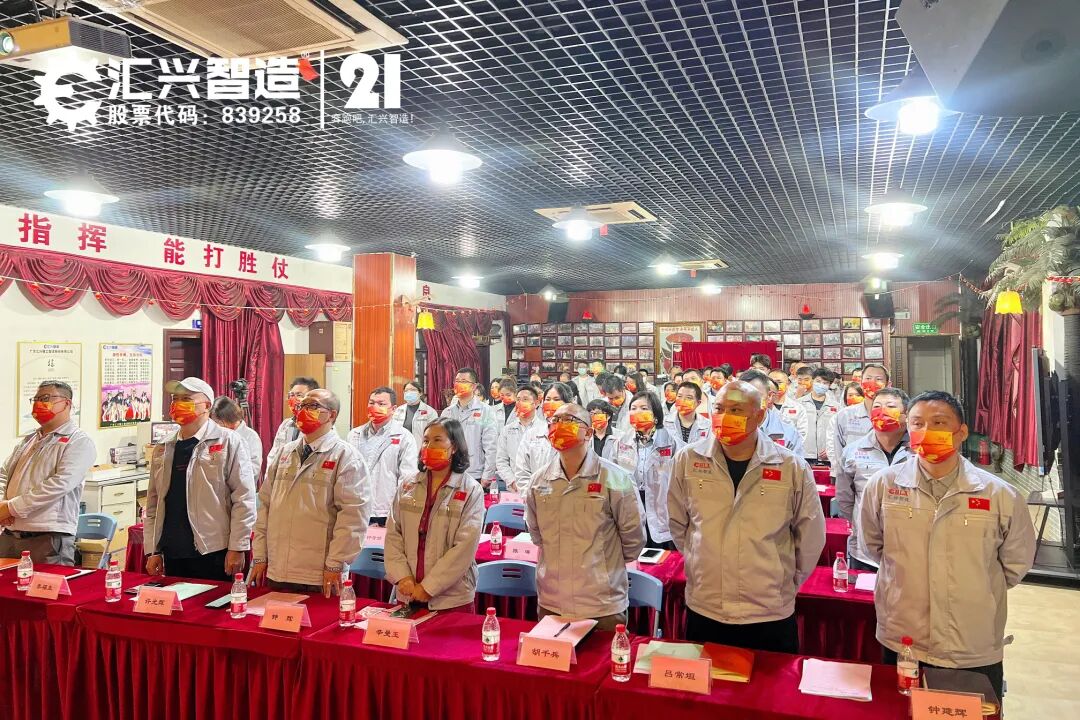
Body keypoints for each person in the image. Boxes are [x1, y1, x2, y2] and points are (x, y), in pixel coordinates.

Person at [858, 391, 1035, 700]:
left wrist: (973, 587)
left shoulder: (999, 495)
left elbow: (1015, 564)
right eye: (918, 423)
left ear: (961, 432)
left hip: (970, 640)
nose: (927, 431)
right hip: (905, 635)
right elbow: (874, 545)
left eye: (939, 423)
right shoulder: (884, 486)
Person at [668, 380, 825, 652]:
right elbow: (678, 524)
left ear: (760, 416)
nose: (725, 417)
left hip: (768, 610)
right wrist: (703, 561)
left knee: (770, 679)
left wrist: (782, 581)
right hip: (707, 605)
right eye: (719, 409)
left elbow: (810, 537)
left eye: (736, 410)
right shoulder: (688, 460)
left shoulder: (791, 467)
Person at [525, 403, 644, 629]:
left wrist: (602, 568)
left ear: (588, 433)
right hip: (552, 601)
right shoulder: (539, 481)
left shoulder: (615, 478)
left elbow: (633, 539)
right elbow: (537, 534)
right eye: (554, 421)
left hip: (601, 603)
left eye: (568, 420)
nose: (558, 425)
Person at [252, 389, 370, 595]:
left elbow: (353, 518)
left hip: (319, 572)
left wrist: (335, 564)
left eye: (313, 406)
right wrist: (260, 555)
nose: (303, 411)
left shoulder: (346, 456)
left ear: (332, 415)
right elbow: (265, 506)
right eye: (301, 406)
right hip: (278, 568)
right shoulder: (284, 452)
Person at [145, 377, 256, 581]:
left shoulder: (229, 441)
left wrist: (238, 546)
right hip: (173, 550)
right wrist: (153, 550)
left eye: (186, 399)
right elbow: (153, 504)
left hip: (214, 550)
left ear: (207, 405)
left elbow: (244, 498)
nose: (178, 404)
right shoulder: (163, 447)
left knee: (213, 601)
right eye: (175, 399)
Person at [384, 418, 485, 612]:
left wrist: (429, 587)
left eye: (437, 440)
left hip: (452, 598)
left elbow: (464, 548)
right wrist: (403, 577)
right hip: (408, 591)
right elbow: (393, 534)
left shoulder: (471, 490)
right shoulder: (408, 485)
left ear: (454, 447)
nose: (429, 446)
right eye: (425, 440)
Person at [0, 381, 96, 564]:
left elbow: (60, 484)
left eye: (45, 398)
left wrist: (11, 507)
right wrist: (2, 505)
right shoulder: (29, 439)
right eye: (35, 399)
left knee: (46, 583)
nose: (38, 404)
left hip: (48, 537)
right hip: (10, 533)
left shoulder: (79, 441)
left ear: (66, 403)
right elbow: (4, 473)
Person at [836, 388, 912, 571]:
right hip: (864, 552)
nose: (882, 411)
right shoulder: (853, 451)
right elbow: (845, 499)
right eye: (877, 407)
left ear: (906, 415)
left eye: (890, 406)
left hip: (910, 550)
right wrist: (862, 523)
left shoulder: (919, 452)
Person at [347, 386, 418, 527]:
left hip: (386, 510)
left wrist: (399, 509)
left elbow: (407, 477)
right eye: (372, 403)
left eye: (381, 404)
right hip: (357, 507)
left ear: (393, 409)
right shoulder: (354, 434)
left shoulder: (404, 437)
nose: (375, 407)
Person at [615, 391, 675, 549]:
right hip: (632, 503)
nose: (637, 412)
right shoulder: (621, 442)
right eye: (633, 408)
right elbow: (613, 477)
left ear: (655, 415)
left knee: (661, 554)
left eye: (643, 408)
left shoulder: (671, 441)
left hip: (661, 504)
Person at [439, 368, 499, 488]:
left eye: (464, 381)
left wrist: (487, 475)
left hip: (475, 473)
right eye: (457, 381)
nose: (459, 384)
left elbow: (491, 446)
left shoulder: (486, 411)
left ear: (474, 386)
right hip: (450, 472)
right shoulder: (447, 412)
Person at [829, 363, 889, 479]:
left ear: (888, 384)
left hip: (884, 479)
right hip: (854, 480)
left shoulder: (893, 416)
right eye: (868, 378)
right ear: (861, 383)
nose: (873, 383)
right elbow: (838, 453)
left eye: (878, 379)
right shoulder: (845, 415)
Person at [513, 382, 575, 492]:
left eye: (556, 399)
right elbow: (522, 471)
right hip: (535, 496)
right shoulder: (532, 435)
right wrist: (530, 495)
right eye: (547, 399)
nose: (551, 403)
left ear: (568, 404)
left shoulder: (578, 435)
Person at [738, 370, 804, 456]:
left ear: (769, 396)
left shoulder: (788, 432)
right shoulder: (726, 427)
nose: (750, 401)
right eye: (744, 396)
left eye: (756, 395)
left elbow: (797, 463)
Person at [495, 384, 545, 491]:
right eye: (518, 400)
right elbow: (501, 460)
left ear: (536, 403)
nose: (520, 402)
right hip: (514, 488)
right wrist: (512, 481)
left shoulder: (544, 429)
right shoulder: (507, 430)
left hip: (539, 487)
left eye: (525, 399)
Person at [268, 377, 319, 467]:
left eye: (299, 395)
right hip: (282, 472)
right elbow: (274, 454)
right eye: (291, 395)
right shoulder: (286, 424)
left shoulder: (320, 425)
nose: (293, 399)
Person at [210, 397, 264, 480]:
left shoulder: (250, 436)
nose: (215, 425)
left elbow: (254, 470)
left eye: (217, 422)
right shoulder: (217, 434)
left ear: (228, 418)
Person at [797, 368, 841, 464]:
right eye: (818, 381)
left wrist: (832, 448)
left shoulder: (837, 407)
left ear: (830, 385)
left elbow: (840, 432)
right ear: (812, 381)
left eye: (825, 383)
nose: (821, 385)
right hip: (804, 455)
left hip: (828, 457)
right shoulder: (799, 404)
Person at [664, 381, 711, 451]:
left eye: (689, 398)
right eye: (679, 396)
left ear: (698, 403)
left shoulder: (708, 425)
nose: (682, 400)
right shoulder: (664, 423)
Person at [768, 369, 808, 448]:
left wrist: (789, 449)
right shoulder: (762, 407)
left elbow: (802, 434)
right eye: (772, 382)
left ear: (787, 384)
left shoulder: (798, 408)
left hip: (790, 450)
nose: (775, 385)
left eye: (779, 382)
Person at [393, 380, 437, 448]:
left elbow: (434, 433)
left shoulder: (430, 412)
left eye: (412, 390)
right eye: (406, 390)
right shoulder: (398, 410)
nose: (409, 392)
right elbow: (393, 431)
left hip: (421, 449)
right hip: (401, 448)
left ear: (420, 393)